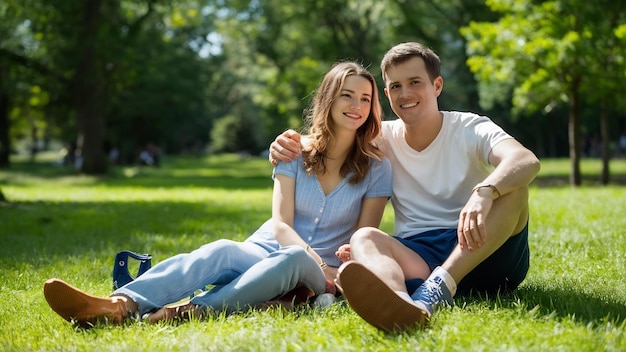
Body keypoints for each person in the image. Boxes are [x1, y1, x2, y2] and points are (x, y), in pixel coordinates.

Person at [43, 61, 393, 328]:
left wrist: (331, 270)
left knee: (294, 260)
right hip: (265, 249)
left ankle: (185, 312)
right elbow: (281, 224)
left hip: (321, 272)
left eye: (365, 98)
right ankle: (119, 305)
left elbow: (362, 239)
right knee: (224, 248)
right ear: (328, 99)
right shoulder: (292, 152)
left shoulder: (376, 169)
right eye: (347, 95)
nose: (357, 105)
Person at [269, 42, 541, 332]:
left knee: (514, 189)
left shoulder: (470, 127)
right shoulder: (381, 136)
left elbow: (525, 159)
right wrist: (285, 143)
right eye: (396, 86)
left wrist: (485, 191)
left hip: (484, 246)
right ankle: (398, 301)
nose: (405, 93)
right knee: (364, 238)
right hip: (418, 255)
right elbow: (330, 137)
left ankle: (438, 287)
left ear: (437, 85)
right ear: (387, 94)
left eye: (415, 82)